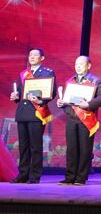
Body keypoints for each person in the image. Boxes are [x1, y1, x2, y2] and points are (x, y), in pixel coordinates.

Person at [56, 56, 101, 185]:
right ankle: (70, 177)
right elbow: (68, 101)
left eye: (81, 64)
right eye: (76, 64)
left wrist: (88, 104)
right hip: (72, 118)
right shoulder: (71, 81)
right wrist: (62, 103)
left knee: (85, 149)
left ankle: (81, 177)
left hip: (86, 119)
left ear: (88, 66)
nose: (78, 66)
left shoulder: (95, 81)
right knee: (71, 149)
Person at [9, 48, 55, 184]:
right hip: (23, 112)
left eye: (35, 55)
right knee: (23, 146)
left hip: (36, 113)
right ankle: (23, 174)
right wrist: (16, 96)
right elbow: (20, 92)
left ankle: (34, 175)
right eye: (30, 55)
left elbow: (52, 92)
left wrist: (41, 101)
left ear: (42, 58)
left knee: (35, 146)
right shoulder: (24, 73)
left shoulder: (47, 72)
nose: (32, 57)